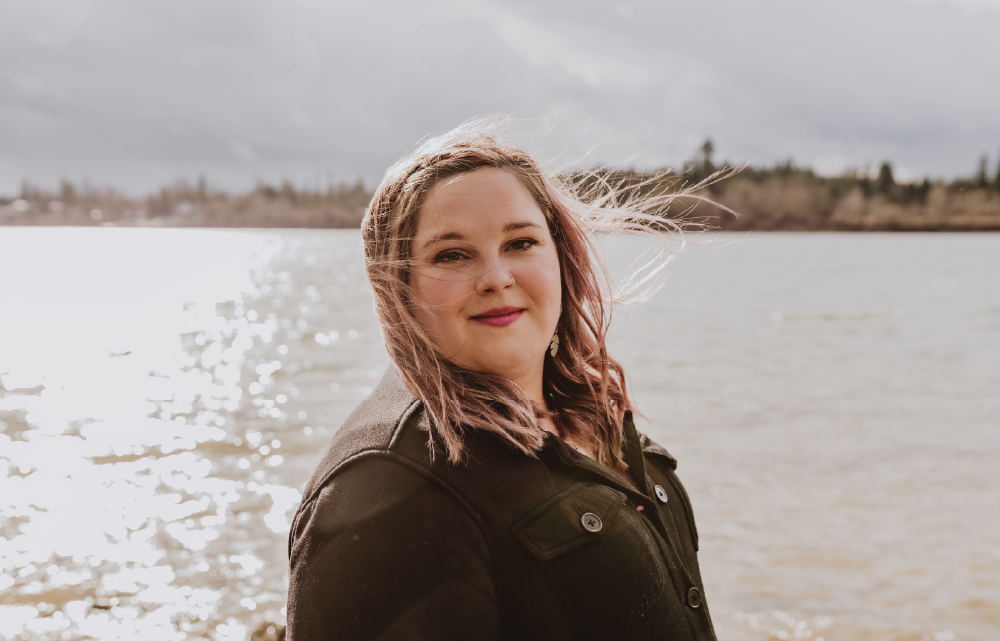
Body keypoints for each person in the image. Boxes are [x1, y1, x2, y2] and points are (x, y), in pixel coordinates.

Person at [285, 121, 717, 640]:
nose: (495, 277)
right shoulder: (388, 488)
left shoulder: (589, 411)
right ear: (400, 287)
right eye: (452, 254)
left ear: (561, 258)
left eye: (520, 242)